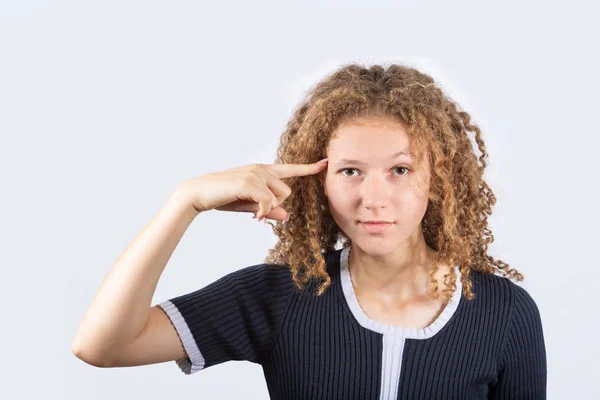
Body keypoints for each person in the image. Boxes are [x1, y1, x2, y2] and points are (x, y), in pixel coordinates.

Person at [72, 63, 547, 399]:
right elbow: (103, 345)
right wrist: (184, 203)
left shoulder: (505, 314)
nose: (373, 198)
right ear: (317, 180)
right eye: (349, 171)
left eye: (400, 170)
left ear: (439, 179)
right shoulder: (280, 295)